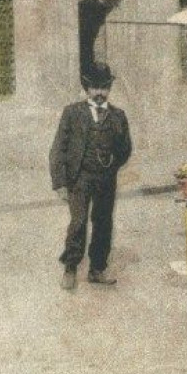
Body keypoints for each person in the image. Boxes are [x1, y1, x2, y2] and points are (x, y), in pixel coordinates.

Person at [49, 62, 133, 290]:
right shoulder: (72, 113)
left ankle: (97, 269)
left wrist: (112, 166)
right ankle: (70, 268)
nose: (99, 93)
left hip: (106, 179)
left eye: (103, 88)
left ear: (109, 89)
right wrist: (60, 183)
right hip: (80, 178)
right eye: (94, 87)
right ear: (87, 88)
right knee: (78, 222)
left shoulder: (118, 116)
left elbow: (125, 148)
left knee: (103, 222)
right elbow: (58, 148)